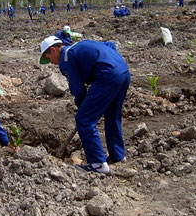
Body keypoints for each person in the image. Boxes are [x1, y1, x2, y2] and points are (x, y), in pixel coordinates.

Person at [39, 36, 130, 174]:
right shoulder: (78, 45)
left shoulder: (66, 58)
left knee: (84, 120)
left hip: (107, 76)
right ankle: (118, 155)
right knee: (112, 115)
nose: (51, 63)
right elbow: (109, 44)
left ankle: (98, 164)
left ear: (53, 50)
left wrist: (83, 107)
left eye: (48, 58)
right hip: (123, 71)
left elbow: (78, 90)